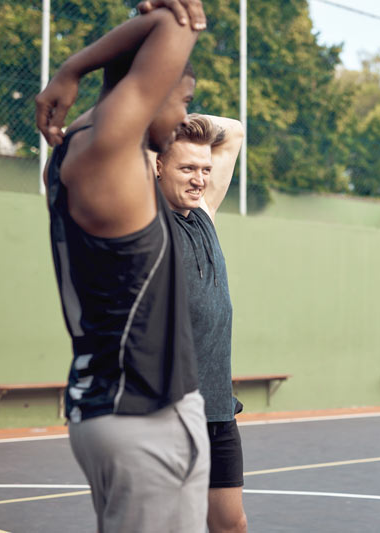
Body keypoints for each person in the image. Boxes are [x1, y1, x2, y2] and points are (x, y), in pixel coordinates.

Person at [35, 4, 210, 532]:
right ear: (147, 90)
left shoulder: (77, 153)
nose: (183, 118)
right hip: (142, 418)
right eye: (181, 100)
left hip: (117, 410)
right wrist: (71, 69)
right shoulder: (107, 152)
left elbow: (155, 39)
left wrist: (86, 65)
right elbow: (182, 21)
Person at [155, 114, 247, 533]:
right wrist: (162, 122)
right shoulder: (145, 220)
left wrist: (185, 122)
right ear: (157, 166)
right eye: (187, 168)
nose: (199, 179)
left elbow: (236, 130)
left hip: (217, 409)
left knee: (231, 525)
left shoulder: (205, 214)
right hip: (166, 412)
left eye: (205, 170)